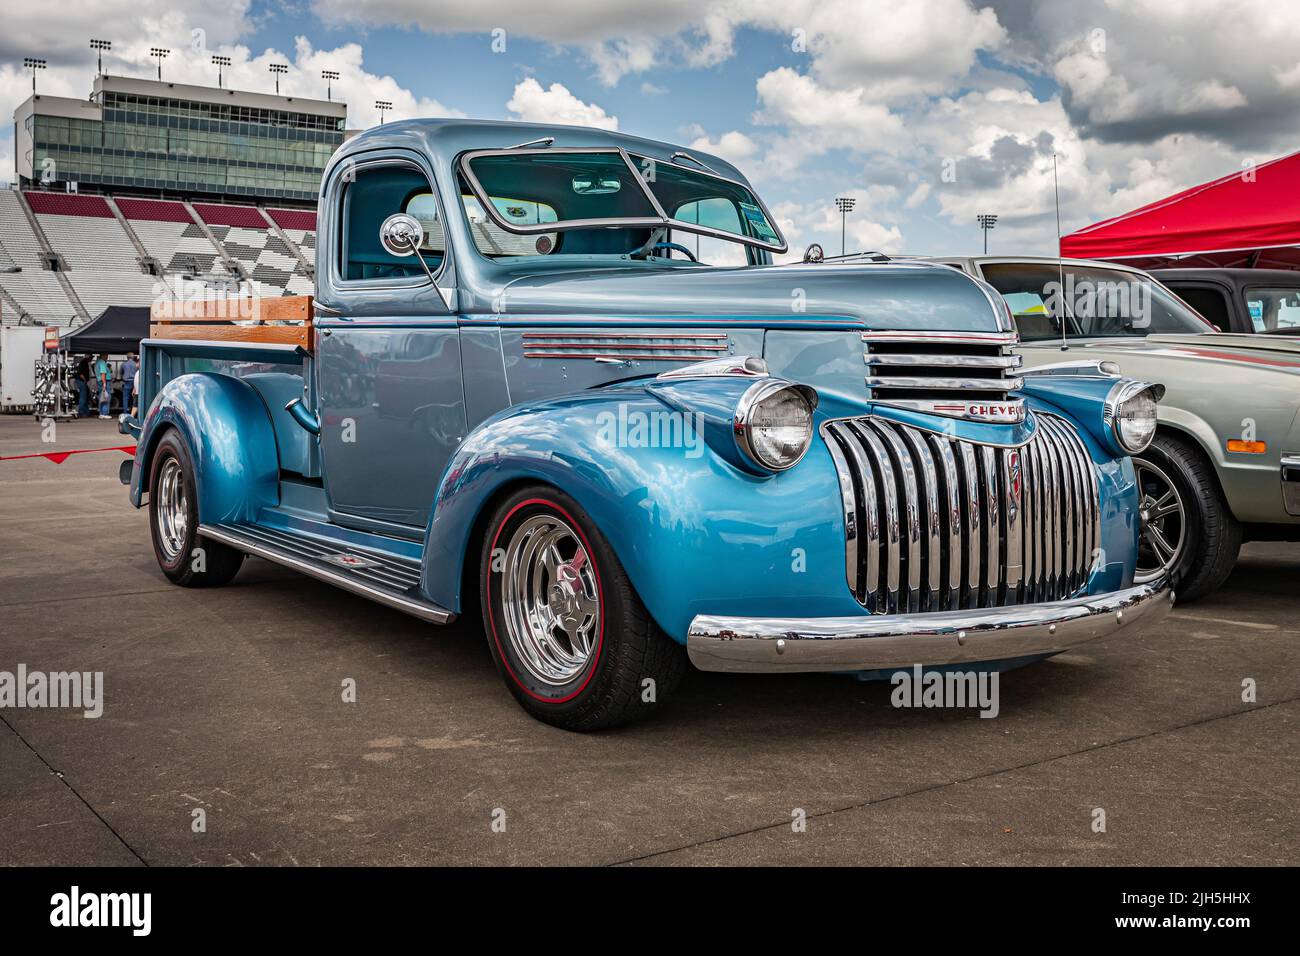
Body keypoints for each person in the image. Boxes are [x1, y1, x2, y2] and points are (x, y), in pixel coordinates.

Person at [120, 352, 137, 417]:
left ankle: (125, 412)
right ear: (133, 357)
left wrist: (123, 378)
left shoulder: (123, 364)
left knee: (125, 398)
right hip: (134, 382)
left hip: (126, 382)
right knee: (134, 397)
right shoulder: (135, 364)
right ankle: (134, 413)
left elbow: (121, 372)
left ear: (127, 357)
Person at [95, 354, 111, 419]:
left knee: (101, 397)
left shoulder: (97, 362)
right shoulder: (102, 362)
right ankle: (105, 413)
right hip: (104, 381)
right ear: (103, 356)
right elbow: (103, 373)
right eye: (106, 356)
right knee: (106, 397)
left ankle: (101, 413)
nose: (107, 357)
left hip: (99, 381)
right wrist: (104, 383)